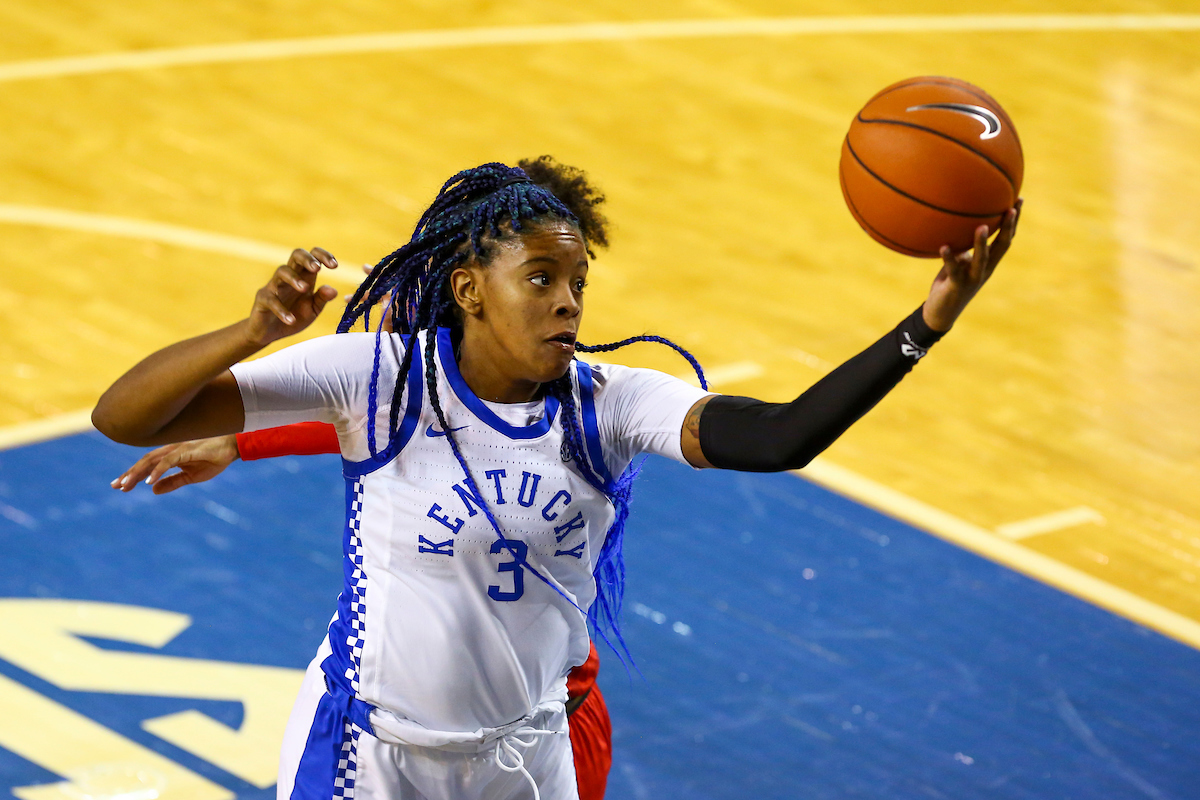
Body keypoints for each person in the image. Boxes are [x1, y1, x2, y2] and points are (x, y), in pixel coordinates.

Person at [92, 156, 1019, 800]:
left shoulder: (611, 403)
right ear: (469, 289)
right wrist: (253, 333)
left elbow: (782, 437)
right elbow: (122, 416)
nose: (568, 301)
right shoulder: (379, 377)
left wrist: (926, 324)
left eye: (577, 281)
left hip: (526, 759)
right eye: (540, 278)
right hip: (371, 757)